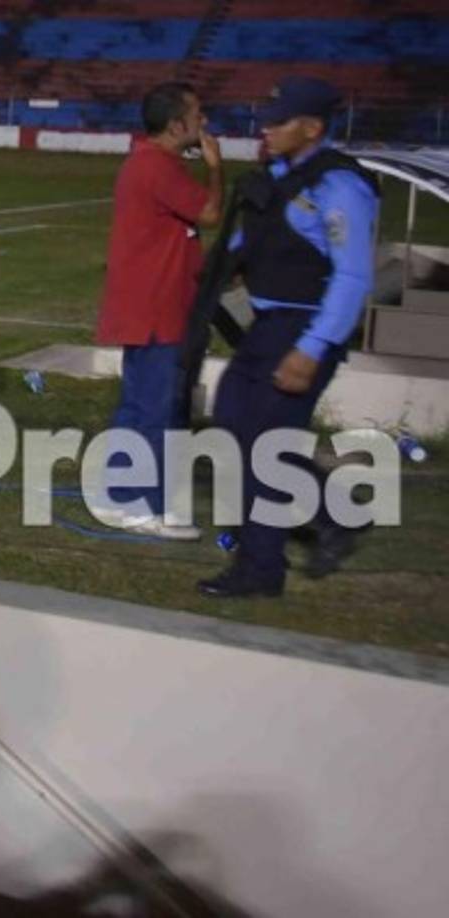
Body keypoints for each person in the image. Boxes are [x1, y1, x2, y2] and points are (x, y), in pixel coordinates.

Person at [198, 76, 379, 598]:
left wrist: (311, 347)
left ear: (312, 128)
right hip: (266, 329)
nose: (266, 127)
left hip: (304, 328)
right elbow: (244, 245)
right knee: (234, 427)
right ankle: (337, 513)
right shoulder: (277, 177)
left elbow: (351, 277)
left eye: (279, 121)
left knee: (266, 448)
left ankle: (260, 569)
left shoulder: (339, 186)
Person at [94, 82, 223, 539]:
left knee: (137, 405)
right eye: (198, 114)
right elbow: (209, 214)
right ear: (176, 124)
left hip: (144, 305)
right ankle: (141, 505)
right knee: (156, 409)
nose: (204, 121)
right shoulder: (158, 167)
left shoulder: (149, 161)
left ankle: (117, 495)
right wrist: (215, 168)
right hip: (158, 309)